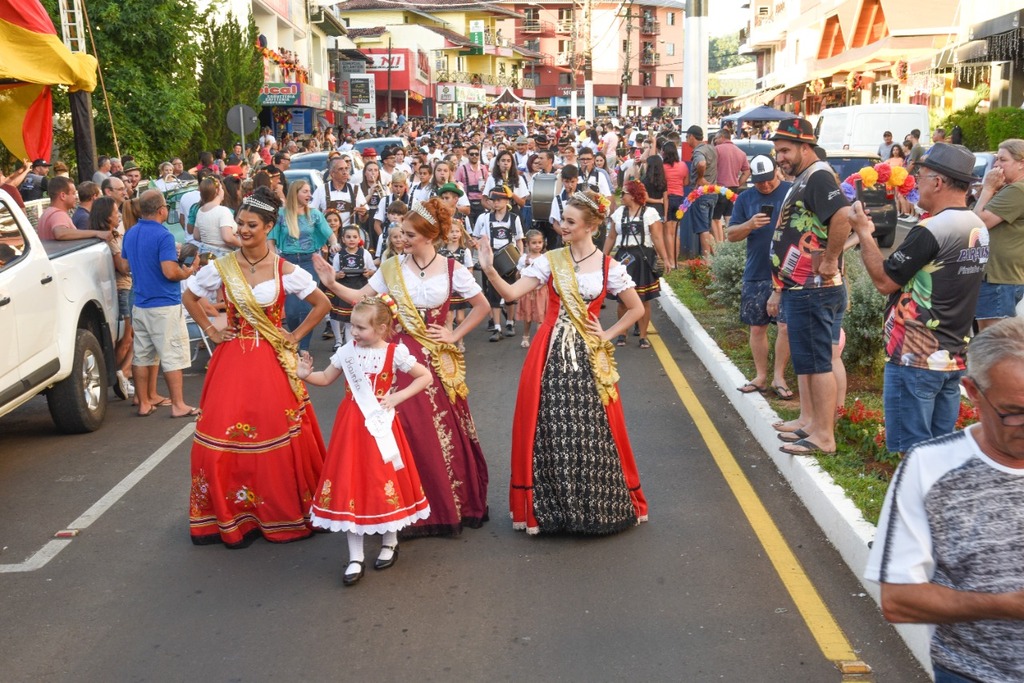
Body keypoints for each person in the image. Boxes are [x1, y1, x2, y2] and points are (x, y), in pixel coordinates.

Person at [312, 197, 491, 538]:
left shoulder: (454, 269)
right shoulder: (392, 267)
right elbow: (363, 298)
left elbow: (481, 305)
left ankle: (445, 505)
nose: (402, 239)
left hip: (436, 357)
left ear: (429, 235)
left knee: (441, 430)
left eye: (409, 234)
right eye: (402, 232)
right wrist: (332, 283)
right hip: (398, 356)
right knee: (401, 430)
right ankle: (400, 507)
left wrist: (454, 334)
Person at [476, 188, 649, 535]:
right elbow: (511, 294)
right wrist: (489, 270)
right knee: (551, 428)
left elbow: (637, 308)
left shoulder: (608, 266)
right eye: (562, 220)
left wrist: (607, 334)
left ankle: (595, 505)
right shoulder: (550, 261)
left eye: (570, 222)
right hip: (551, 353)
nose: (561, 226)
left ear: (591, 226)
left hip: (588, 356)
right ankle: (555, 507)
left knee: (591, 428)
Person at [864, 317, 1024, 683]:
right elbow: (899, 599)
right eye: (1015, 413)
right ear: (972, 391)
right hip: (974, 673)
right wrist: (1006, 607)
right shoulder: (929, 466)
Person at [182, 187, 330, 547]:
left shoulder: (285, 269)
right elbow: (189, 295)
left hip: (271, 361)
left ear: (269, 227)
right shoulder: (222, 267)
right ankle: (227, 517)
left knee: (273, 437)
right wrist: (211, 330)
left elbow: (321, 303)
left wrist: (294, 337)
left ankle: (276, 513)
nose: (242, 231)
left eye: (251, 225)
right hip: (232, 359)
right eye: (240, 224)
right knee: (221, 437)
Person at [852, 144, 987, 456]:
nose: (917, 182)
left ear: (938, 182)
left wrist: (863, 232)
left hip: (915, 358)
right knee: (939, 452)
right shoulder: (977, 226)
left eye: (922, 176)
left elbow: (885, 281)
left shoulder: (931, 229)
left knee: (912, 454)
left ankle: (914, 504)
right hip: (953, 357)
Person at [299, 297, 433, 586]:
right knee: (352, 481)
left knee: (384, 477)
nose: (354, 333)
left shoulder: (395, 352)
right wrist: (305, 375)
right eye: (352, 327)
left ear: (382, 328)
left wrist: (396, 397)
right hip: (351, 425)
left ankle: (390, 540)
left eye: (361, 328)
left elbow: (425, 377)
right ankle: (355, 555)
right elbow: (325, 378)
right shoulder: (347, 352)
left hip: (381, 424)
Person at [767, 118, 851, 456]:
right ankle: (812, 424)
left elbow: (842, 216)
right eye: (778, 151)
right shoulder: (805, 177)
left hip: (815, 287)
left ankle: (824, 437)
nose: (780, 157)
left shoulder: (818, 176)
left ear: (806, 147)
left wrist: (829, 260)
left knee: (818, 363)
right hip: (801, 287)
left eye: (785, 150)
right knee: (809, 361)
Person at [122, 190, 199, 418]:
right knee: (172, 355)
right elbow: (169, 272)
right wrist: (188, 270)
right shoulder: (164, 236)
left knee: (142, 355)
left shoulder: (131, 232)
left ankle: (144, 402)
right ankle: (178, 404)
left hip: (141, 302)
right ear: (161, 210)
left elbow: (125, 266)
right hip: (164, 303)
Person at [726, 156, 794, 397]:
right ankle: (761, 376)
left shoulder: (791, 191)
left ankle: (779, 377)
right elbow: (731, 234)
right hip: (757, 272)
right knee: (757, 327)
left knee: (785, 327)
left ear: (777, 171)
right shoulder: (746, 198)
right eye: (759, 182)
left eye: (768, 181)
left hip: (788, 272)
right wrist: (750, 225)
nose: (764, 186)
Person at [269, 179, 339, 353]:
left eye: (310, 192)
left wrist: (334, 243)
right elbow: (271, 239)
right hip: (288, 262)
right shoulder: (281, 214)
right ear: (295, 193)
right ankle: (293, 339)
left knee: (307, 307)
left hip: (309, 262)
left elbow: (329, 234)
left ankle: (304, 347)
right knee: (292, 310)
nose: (310, 195)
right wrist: (274, 258)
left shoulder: (314, 214)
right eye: (305, 192)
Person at [603, 179, 666, 349]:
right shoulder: (618, 213)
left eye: (625, 193)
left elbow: (657, 237)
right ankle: (622, 333)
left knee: (644, 299)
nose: (622, 196)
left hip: (643, 257)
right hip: (623, 257)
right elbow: (611, 237)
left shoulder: (649, 213)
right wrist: (603, 257)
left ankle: (643, 336)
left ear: (633, 195)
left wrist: (664, 258)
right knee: (623, 300)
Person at [972, 137, 1024, 330]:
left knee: (992, 341)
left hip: (999, 278)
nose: (996, 165)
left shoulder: (1018, 190)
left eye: (1003, 159)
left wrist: (987, 189)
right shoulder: (1011, 189)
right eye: (996, 159)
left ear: (1021, 163)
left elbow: (979, 223)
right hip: (1003, 276)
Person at [473, 185, 525, 341]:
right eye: (493, 200)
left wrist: (519, 258)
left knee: (510, 293)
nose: (495, 203)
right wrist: (479, 247)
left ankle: (509, 322)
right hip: (492, 258)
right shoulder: (484, 218)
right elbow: (475, 237)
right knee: (493, 294)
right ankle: (497, 327)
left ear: (506, 200)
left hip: (509, 259)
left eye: (499, 199)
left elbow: (519, 240)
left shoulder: (514, 218)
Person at [328, 225, 376, 348]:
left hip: (360, 285)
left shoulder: (365, 253)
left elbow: (373, 269)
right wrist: (338, 275)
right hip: (344, 285)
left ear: (359, 239)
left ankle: (350, 343)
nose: (351, 239)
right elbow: (334, 272)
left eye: (355, 237)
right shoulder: (339, 255)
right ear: (343, 239)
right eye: (348, 237)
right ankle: (339, 340)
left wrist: (368, 273)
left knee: (353, 317)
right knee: (340, 316)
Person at [37, 177, 112, 242]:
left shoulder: (47, 213)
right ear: (63, 195)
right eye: (73, 193)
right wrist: (96, 233)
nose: (76, 197)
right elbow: (60, 233)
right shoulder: (58, 214)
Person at [684, 125, 718, 256]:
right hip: (712, 192)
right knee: (707, 228)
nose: (687, 141)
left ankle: (707, 260)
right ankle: (716, 259)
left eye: (687, 137)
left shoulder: (698, 152)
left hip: (701, 193)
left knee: (703, 229)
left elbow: (702, 164)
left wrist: (700, 177)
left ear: (692, 136)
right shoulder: (711, 148)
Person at [712, 129, 751, 246]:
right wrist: (738, 183)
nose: (715, 141)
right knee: (729, 216)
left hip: (720, 188)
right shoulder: (741, 152)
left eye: (716, 139)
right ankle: (731, 243)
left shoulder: (717, 150)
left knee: (715, 218)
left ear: (722, 137)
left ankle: (720, 245)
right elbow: (747, 171)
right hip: (734, 188)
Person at [515, 229, 548, 348]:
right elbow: (518, 274)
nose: (538, 245)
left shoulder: (545, 258)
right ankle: (526, 336)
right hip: (528, 291)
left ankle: (539, 340)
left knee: (541, 316)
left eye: (540, 242)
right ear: (527, 244)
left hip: (541, 291)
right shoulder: (524, 259)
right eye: (534, 243)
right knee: (527, 315)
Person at [193, 177, 240, 256]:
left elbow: (196, 236)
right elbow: (227, 238)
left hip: (204, 253)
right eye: (221, 188)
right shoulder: (223, 211)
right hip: (222, 255)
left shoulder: (200, 210)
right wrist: (243, 244)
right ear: (217, 191)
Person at [661, 141, 689, 267]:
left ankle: (671, 261)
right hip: (680, 199)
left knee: (668, 232)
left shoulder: (663, 167)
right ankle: (676, 260)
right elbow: (686, 182)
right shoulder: (683, 165)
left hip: (667, 199)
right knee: (676, 230)